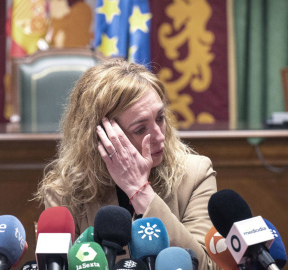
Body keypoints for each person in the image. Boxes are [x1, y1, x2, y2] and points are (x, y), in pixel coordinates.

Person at [34, 59, 217, 270]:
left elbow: (206, 265)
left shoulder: (195, 174)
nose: (159, 136)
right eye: (140, 129)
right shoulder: (64, 191)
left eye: (160, 118)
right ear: (101, 138)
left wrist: (140, 191)